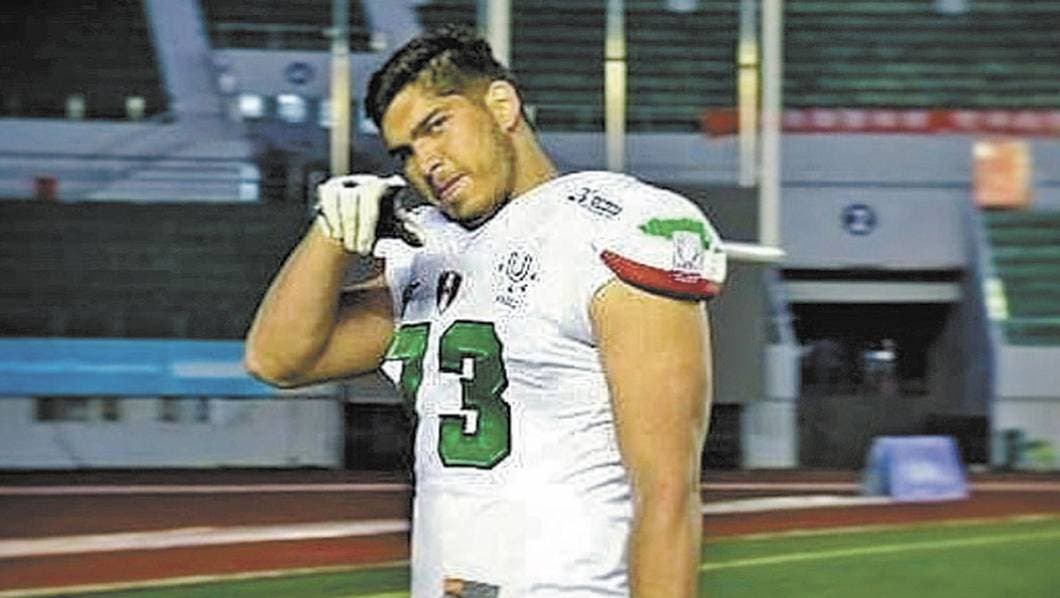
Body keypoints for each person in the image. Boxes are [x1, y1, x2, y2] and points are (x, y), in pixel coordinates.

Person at [245, 25, 726, 598]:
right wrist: (330, 234)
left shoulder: (608, 229)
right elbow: (278, 360)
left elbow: (666, 490)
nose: (426, 162)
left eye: (436, 126)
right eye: (405, 152)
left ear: (501, 105)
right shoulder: (428, 253)